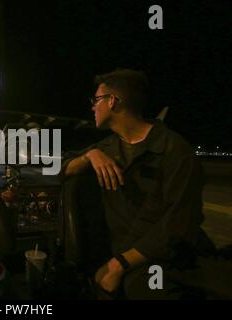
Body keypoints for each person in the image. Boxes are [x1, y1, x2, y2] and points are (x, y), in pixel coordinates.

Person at [61, 69, 214, 299]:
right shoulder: (108, 147)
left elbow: (179, 225)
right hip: (126, 251)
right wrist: (89, 155)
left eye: (96, 100)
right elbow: (61, 169)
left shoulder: (175, 150)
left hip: (169, 257)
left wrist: (121, 263)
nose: (93, 106)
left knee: (146, 290)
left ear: (112, 101)